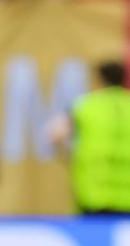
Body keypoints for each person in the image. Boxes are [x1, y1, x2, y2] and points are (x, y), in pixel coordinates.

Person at [53, 60, 130, 215]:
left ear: (100, 79)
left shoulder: (85, 105)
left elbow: (56, 134)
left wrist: (69, 157)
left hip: (94, 193)